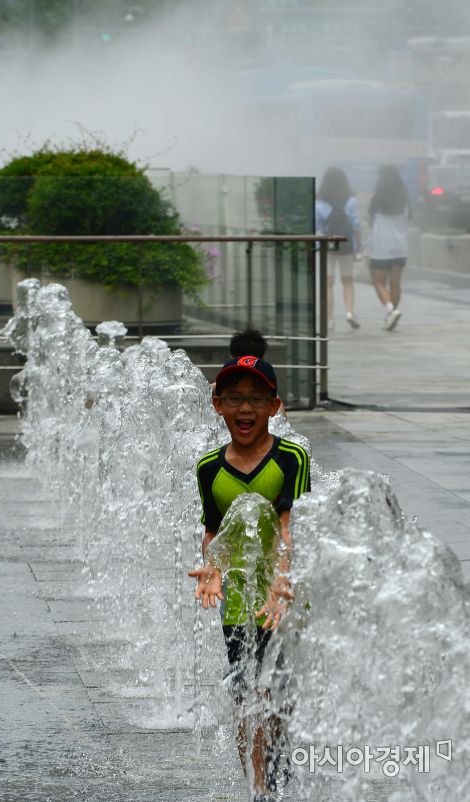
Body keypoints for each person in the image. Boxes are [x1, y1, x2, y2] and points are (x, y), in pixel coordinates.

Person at [188, 355, 310, 802]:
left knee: (276, 696)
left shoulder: (291, 457)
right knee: (244, 696)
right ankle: (257, 789)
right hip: (237, 600)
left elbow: (290, 527)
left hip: (282, 594)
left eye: (257, 399)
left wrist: (280, 580)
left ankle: (276, 771)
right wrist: (212, 568)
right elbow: (213, 530)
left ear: (274, 406)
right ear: (217, 404)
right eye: (235, 398)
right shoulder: (208, 467)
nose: (245, 408)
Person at [316, 167, 363, 331]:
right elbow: (356, 226)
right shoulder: (350, 201)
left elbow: (318, 227)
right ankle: (349, 313)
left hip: (327, 247)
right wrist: (359, 247)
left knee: (328, 284)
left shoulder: (319, 203)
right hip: (346, 246)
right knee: (347, 281)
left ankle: (330, 319)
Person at [368, 165, 411, 331]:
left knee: (378, 282)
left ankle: (391, 311)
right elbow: (407, 220)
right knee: (395, 283)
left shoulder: (377, 198)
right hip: (400, 246)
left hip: (381, 247)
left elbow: (371, 222)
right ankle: (391, 316)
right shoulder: (404, 199)